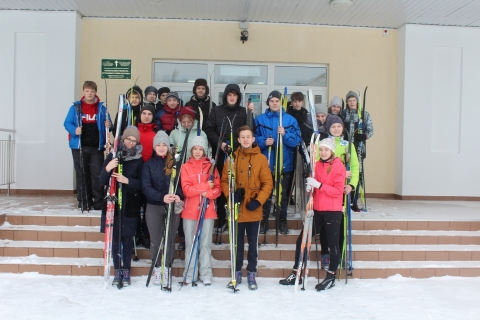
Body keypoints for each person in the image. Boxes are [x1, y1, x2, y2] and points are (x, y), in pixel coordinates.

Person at [279, 138, 345, 291]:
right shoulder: (316, 165)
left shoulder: (338, 166)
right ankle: (297, 272)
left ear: (332, 151)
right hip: (317, 210)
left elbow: (338, 191)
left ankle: (331, 275)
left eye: (326, 150)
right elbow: (315, 187)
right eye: (321, 149)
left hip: (333, 211)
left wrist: (319, 185)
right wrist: (311, 187)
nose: (323, 152)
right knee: (301, 241)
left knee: (332, 244)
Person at [221, 125, 273, 290]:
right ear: (238, 140)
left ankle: (251, 272)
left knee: (252, 243)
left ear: (253, 139)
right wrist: (230, 195)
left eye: (248, 137)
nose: (245, 140)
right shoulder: (231, 157)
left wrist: (258, 201)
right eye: (242, 137)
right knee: (236, 243)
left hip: (253, 208)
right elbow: (224, 180)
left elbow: (267, 183)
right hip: (236, 209)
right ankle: (236, 272)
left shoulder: (261, 159)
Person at [203, 84, 254, 235]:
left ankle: (234, 216)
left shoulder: (242, 112)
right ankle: (220, 218)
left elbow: (249, 131)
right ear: (225, 96)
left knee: (235, 185)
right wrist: (221, 144)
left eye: (235, 95)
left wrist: (250, 114)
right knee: (221, 184)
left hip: (238, 154)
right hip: (221, 153)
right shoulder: (217, 110)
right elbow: (208, 129)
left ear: (238, 97)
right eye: (229, 94)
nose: (232, 97)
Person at [99, 126, 143, 287]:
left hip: (129, 203)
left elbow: (142, 184)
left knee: (127, 238)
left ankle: (126, 271)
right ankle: (117, 269)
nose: (131, 143)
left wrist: (128, 181)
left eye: (134, 140)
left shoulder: (138, 159)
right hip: (113, 202)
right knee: (115, 238)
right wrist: (108, 168)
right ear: (123, 140)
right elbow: (102, 180)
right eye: (128, 139)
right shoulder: (113, 156)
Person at [255, 90, 302, 235]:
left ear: (280, 102)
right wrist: (263, 142)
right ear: (268, 103)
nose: (274, 103)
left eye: (277, 101)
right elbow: (252, 139)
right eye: (272, 101)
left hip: (284, 164)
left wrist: (285, 134)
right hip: (266, 164)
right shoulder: (260, 119)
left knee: (282, 195)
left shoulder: (290, 119)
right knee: (266, 194)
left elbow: (296, 140)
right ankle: (263, 221)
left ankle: (282, 221)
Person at [142, 131, 184, 287]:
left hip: (171, 207)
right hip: (154, 206)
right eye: (158, 145)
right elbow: (145, 187)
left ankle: (167, 267)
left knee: (169, 239)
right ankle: (157, 266)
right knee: (155, 239)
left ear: (168, 146)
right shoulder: (149, 165)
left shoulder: (175, 164)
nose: (161, 147)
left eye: (164, 145)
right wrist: (161, 196)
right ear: (154, 147)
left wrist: (177, 195)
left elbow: (180, 185)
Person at [318, 115, 359, 270]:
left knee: (340, 223)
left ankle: (339, 254)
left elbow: (355, 167)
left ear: (343, 128)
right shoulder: (322, 145)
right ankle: (325, 253)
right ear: (328, 128)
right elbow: (318, 166)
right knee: (324, 222)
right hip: (326, 190)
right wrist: (341, 173)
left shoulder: (348, 145)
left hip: (342, 190)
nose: (336, 129)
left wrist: (351, 185)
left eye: (339, 126)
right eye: (333, 126)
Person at [63, 80, 111, 211]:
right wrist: (74, 130)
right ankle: (84, 201)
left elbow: (109, 124)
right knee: (82, 174)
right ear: (83, 92)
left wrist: (109, 125)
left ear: (96, 92)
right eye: (87, 91)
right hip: (79, 147)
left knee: (97, 174)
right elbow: (67, 123)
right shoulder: (75, 107)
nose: (90, 94)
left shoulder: (101, 108)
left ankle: (99, 202)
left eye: (92, 91)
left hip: (96, 147)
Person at [180, 136, 221, 286]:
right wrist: (204, 187)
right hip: (190, 211)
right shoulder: (185, 167)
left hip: (207, 210)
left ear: (204, 150)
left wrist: (208, 193)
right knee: (191, 243)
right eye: (195, 149)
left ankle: (205, 273)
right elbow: (186, 190)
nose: (197, 152)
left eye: (200, 149)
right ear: (191, 150)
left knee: (205, 244)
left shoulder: (211, 167)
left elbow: (217, 189)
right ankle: (190, 273)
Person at [170, 106, 208, 251]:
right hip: (180, 169)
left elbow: (205, 150)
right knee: (181, 201)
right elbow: (170, 147)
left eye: (189, 121)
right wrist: (173, 150)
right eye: (183, 121)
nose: (186, 124)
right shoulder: (175, 132)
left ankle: (195, 234)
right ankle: (182, 234)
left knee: (193, 200)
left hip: (195, 170)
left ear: (193, 121)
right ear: (180, 121)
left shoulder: (200, 133)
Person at [342, 91, 374, 212]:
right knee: (345, 173)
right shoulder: (343, 114)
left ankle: (354, 202)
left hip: (359, 148)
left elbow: (371, 130)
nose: (351, 102)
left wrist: (363, 136)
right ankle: (345, 199)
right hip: (345, 148)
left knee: (357, 174)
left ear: (357, 101)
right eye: (349, 100)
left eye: (353, 100)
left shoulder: (364, 115)